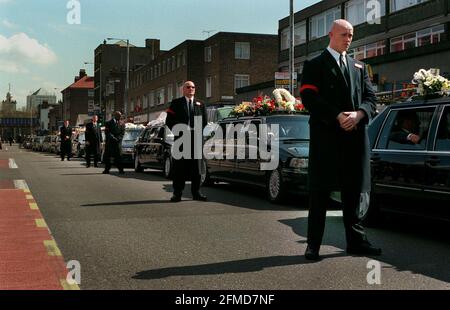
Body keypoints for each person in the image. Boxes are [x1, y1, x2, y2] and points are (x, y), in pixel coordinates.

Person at [300, 19, 381, 261]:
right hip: (327, 139)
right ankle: (313, 245)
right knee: (319, 193)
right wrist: (336, 116)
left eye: (351, 35)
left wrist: (359, 114)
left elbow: (370, 98)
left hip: (354, 139)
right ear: (331, 34)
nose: (348, 39)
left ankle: (356, 242)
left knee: (353, 193)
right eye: (344, 34)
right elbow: (309, 98)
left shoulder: (358, 66)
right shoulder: (314, 64)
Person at [165, 81, 208, 202]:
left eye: (193, 87)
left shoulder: (201, 104)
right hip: (181, 140)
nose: (191, 89)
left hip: (196, 140)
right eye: (188, 87)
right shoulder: (176, 103)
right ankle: (177, 193)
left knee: (197, 169)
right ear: (183, 90)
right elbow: (169, 121)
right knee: (180, 168)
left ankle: (196, 192)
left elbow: (204, 122)